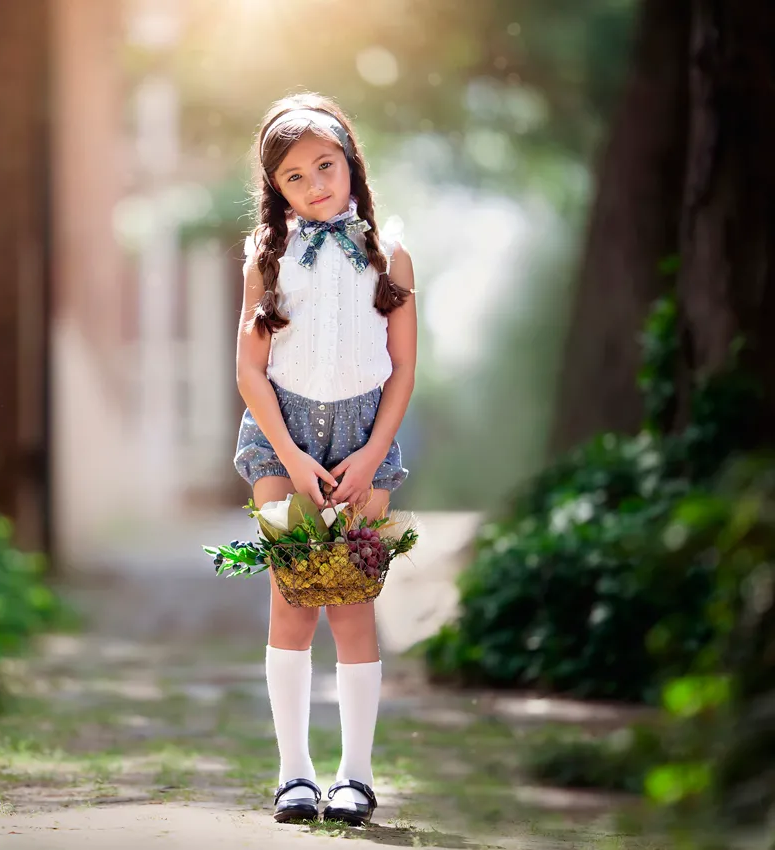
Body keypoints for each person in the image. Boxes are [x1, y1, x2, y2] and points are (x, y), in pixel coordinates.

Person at [233, 93, 417, 826]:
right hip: (283, 438)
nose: (315, 185)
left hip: (364, 437)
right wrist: (293, 458)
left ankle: (357, 776)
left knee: (352, 601)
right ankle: (294, 774)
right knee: (294, 596)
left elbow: (402, 367)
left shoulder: (390, 251)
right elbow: (250, 369)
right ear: (277, 190)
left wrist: (371, 456)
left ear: (350, 163)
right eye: (294, 178)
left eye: (325, 166)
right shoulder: (266, 257)